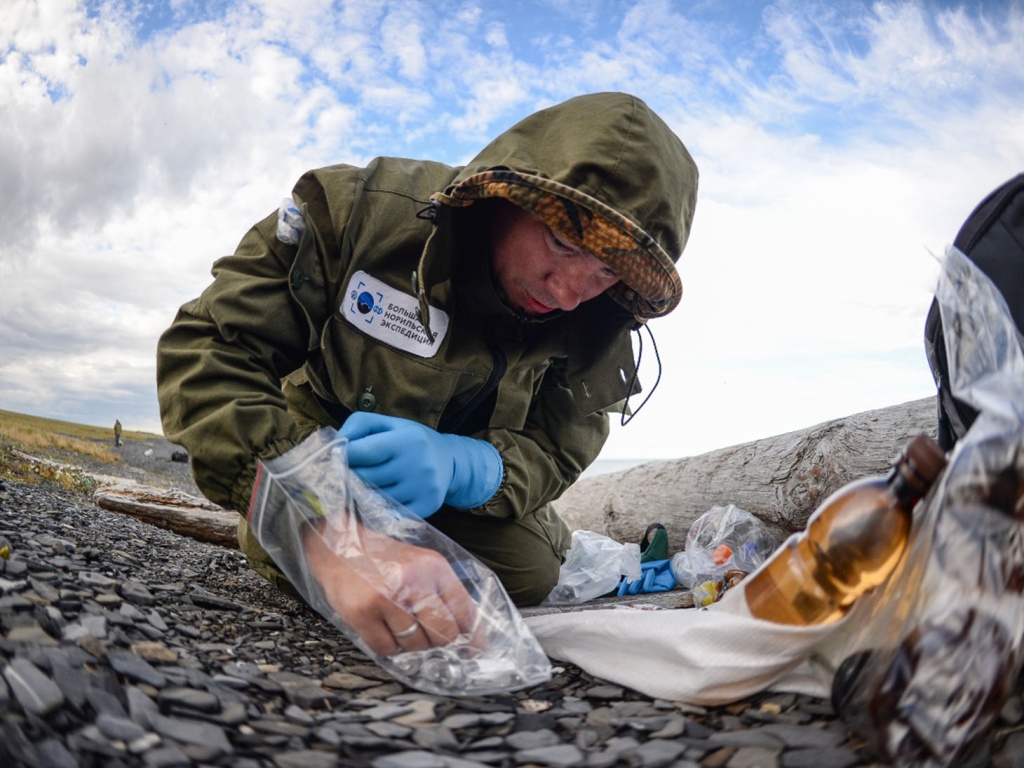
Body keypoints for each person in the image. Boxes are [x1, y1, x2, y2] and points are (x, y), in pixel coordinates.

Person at [157, 92, 698, 656]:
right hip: (323, 451)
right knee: (299, 549)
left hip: (458, 498)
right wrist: (323, 531)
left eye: (605, 270)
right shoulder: (357, 212)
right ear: (507, 194)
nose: (567, 293)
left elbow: (560, 448)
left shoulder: (600, 319)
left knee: (532, 577)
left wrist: (471, 469)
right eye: (560, 242)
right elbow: (210, 345)